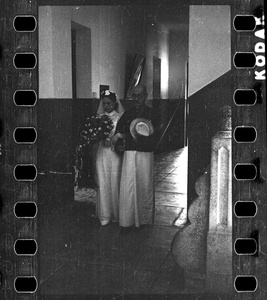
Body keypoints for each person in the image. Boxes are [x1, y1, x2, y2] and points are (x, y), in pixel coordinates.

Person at [112, 84, 156, 228]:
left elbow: (158, 134)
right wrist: (121, 141)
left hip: (146, 154)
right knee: (128, 185)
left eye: (140, 96)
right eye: (134, 96)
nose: (136, 98)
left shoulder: (152, 113)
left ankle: (144, 219)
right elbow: (118, 132)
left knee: (144, 184)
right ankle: (127, 221)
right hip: (130, 153)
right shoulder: (127, 114)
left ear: (146, 96)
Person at [96, 90, 125, 225]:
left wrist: (114, 139)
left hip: (114, 153)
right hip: (102, 152)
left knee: (114, 181)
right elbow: (95, 134)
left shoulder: (119, 117)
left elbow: (124, 134)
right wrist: (101, 140)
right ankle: (104, 215)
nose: (107, 106)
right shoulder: (99, 117)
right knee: (103, 181)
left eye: (109, 103)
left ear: (115, 103)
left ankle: (116, 214)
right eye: (104, 103)